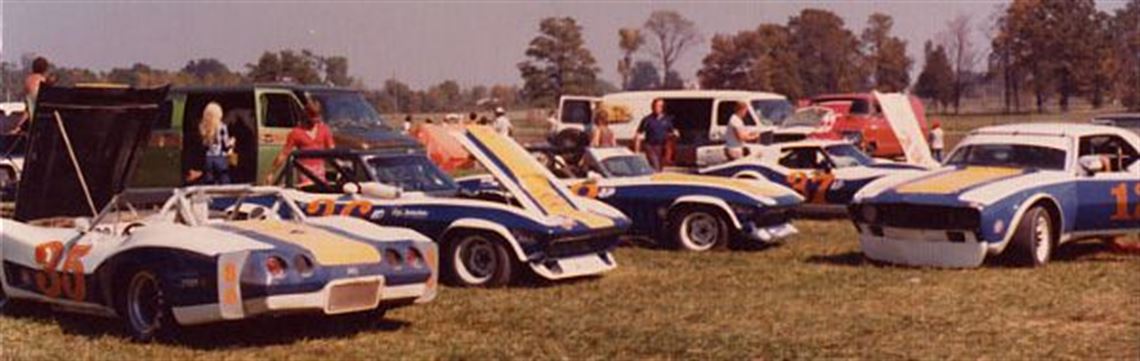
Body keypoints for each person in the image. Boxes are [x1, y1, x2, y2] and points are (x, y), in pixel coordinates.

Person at [268, 105, 336, 185]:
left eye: (318, 116)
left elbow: (332, 151)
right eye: (313, 117)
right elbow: (284, 153)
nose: (316, 120)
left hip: (320, 171)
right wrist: (271, 172)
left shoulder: (324, 130)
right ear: (306, 115)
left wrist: (339, 168)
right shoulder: (296, 133)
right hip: (304, 171)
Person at [633, 98, 676, 170]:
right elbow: (638, 134)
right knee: (655, 165)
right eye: (656, 106)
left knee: (660, 166)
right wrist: (637, 150)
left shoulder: (667, 120)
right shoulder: (647, 120)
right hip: (650, 146)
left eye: (660, 106)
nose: (658, 108)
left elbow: (671, 134)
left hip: (662, 147)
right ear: (652, 107)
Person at [199, 103, 235, 184]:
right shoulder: (222, 127)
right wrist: (232, 142)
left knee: (209, 182)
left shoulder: (202, 127)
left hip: (208, 159)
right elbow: (225, 145)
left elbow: (203, 146)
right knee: (224, 181)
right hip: (219, 158)